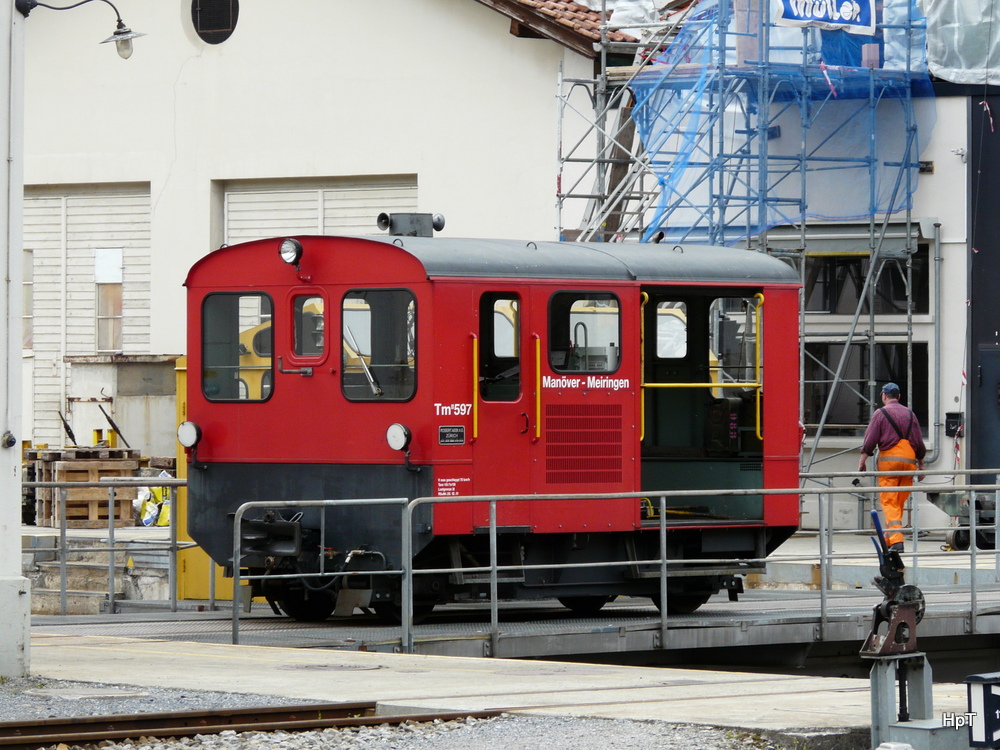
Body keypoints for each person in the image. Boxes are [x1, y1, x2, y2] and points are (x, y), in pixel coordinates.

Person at [858, 382, 926, 553]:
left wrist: (862, 460)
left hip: (889, 463)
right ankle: (889, 539)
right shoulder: (910, 414)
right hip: (909, 463)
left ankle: (896, 541)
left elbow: (870, 440)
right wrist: (922, 463)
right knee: (898, 502)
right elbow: (918, 442)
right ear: (899, 396)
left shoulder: (880, 414)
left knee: (889, 501)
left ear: (883, 396)